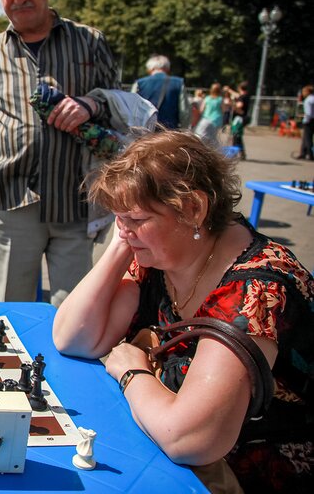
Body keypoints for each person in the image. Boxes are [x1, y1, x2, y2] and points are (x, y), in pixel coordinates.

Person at [52, 130, 313, 492]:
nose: (125, 230)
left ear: (194, 209)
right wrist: (121, 245)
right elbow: (74, 337)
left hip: (250, 472)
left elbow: (190, 439)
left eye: (137, 218)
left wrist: (132, 372)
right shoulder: (160, 258)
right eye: (118, 218)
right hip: (161, 446)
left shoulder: (257, 288)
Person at [0, 0, 119, 306]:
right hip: (13, 200)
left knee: (73, 312)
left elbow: (117, 101)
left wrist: (90, 104)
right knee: (14, 310)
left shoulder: (89, 41)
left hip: (75, 198)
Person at [130, 54, 190, 130]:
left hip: (144, 132)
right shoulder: (178, 83)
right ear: (167, 68)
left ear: (149, 69)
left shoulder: (139, 83)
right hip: (169, 133)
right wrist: (184, 130)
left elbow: (130, 109)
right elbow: (184, 112)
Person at [194, 82, 223, 147]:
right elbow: (223, 110)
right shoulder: (220, 99)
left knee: (200, 134)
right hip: (216, 120)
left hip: (206, 119)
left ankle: (201, 148)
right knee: (213, 136)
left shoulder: (207, 98)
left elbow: (201, 109)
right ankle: (214, 151)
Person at [294, 84, 314, 160]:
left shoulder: (308, 100)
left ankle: (310, 155)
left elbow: (308, 113)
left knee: (307, 138)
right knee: (307, 137)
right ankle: (303, 153)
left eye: (303, 91)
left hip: (309, 121)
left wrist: (305, 119)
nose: (303, 93)